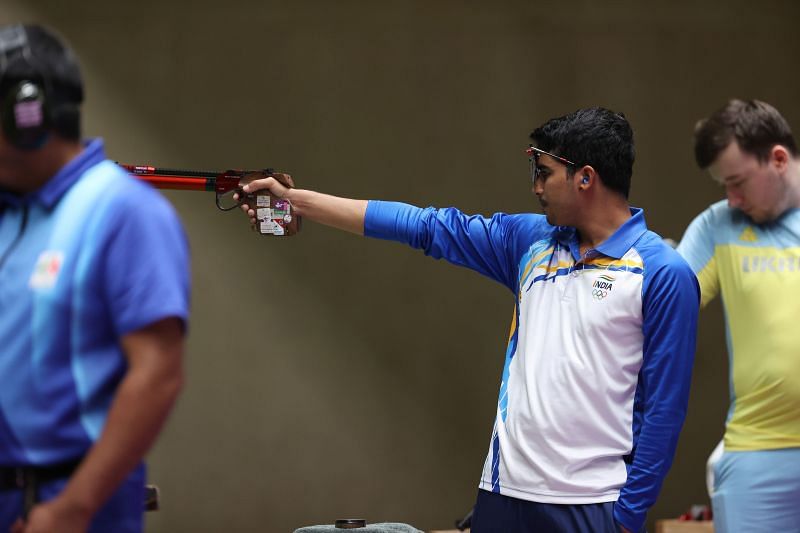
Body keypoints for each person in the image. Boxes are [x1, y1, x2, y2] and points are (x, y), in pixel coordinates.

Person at [239, 107, 700, 532]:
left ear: (585, 178)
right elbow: (421, 225)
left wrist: (625, 519)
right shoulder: (529, 241)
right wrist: (296, 201)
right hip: (501, 495)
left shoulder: (664, 274)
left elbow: (664, 410)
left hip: (593, 507)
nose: (536, 188)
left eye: (544, 174)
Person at [0, 24, 190, 532]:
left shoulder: (121, 211)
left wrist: (73, 507)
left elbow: (158, 372)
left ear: (27, 116)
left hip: (66, 503)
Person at [676, 99, 800, 533]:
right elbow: (661, 301)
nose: (730, 198)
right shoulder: (718, 227)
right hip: (757, 454)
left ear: (778, 159)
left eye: (738, 182)